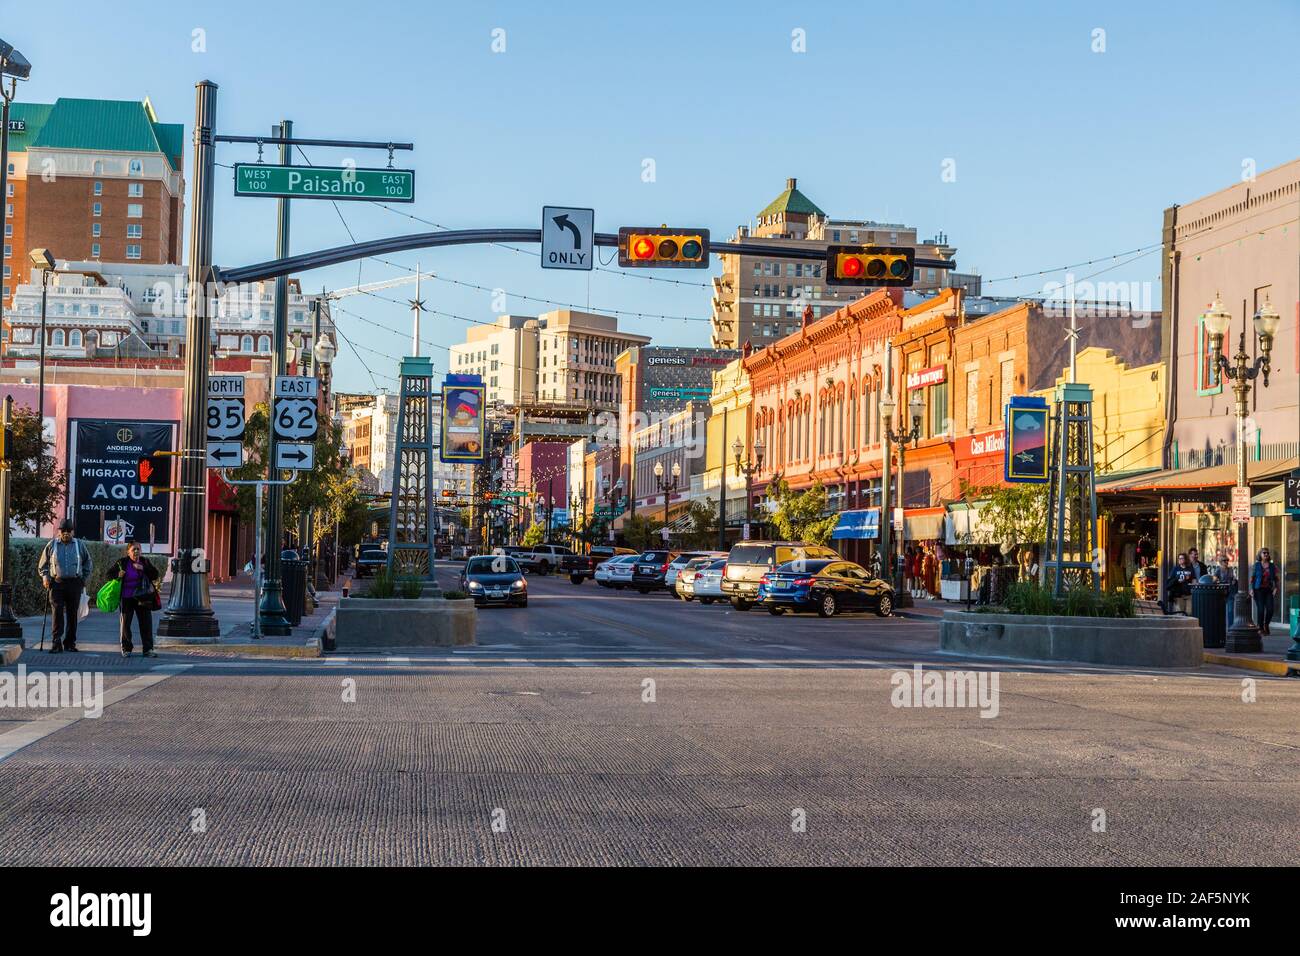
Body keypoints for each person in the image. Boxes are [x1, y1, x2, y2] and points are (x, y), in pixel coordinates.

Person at [37, 519, 93, 654]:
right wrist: (45, 577)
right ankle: (56, 642)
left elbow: (88, 563)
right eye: (64, 531)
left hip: (74, 583)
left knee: (72, 614)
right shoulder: (52, 545)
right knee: (57, 612)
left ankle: (70, 643)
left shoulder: (79, 545)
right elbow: (43, 565)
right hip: (56, 583)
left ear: (72, 532)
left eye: (69, 531)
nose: (66, 534)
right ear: (60, 532)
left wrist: (83, 579)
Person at [116, 541, 161, 658]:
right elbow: (109, 574)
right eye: (133, 549)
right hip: (127, 597)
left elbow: (155, 574)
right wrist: (118, 575)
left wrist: (143, 568)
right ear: (128, 552)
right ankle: (126, 649)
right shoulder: (122, 562)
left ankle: (148, 649)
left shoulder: (145, 562)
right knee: (125, 624)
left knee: (146, 623)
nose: (136, 551)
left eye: (138, 549)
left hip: (143, 597)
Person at [1250, 548, 1279, 636]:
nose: (1266, 554)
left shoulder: (1272, 566)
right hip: (1258, 589)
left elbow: (1276, 578)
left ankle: (1266, 624)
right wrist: (1251, 589)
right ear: (1260, 554)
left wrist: (1275, 588)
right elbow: (1252, 578)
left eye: (1267, 553)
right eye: (1264, 553)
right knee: (1261, 609)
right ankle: (1260, 628)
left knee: (1270, 609)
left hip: (1268, 590)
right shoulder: (1256, 565)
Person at [1212, 551, 1236, 631]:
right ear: (1220, 562)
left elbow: (1233, 578)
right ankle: (1220, 627)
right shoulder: (1218, 570)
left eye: (1227, 560)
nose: (1226, 562)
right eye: (1224, 560)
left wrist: (1234, 581)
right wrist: (1216, 580)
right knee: (1220, 611)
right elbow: (1214, 579)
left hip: (1230, 592)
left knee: (1230, 611)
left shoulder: (1230, 569)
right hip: (1221, 593)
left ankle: (1230, 628)